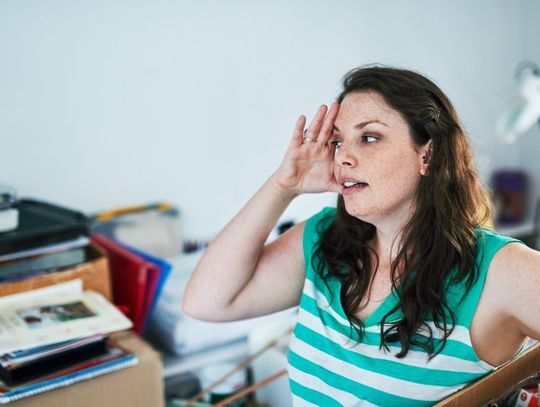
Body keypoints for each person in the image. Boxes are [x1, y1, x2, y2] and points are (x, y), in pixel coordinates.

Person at [182, 66, 540, 406]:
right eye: (338, 142)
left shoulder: (497, 271)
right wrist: (283, 186)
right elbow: (206, 303)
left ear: (427, 153)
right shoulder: (324, 239)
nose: (344, 158)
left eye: (369, 137)